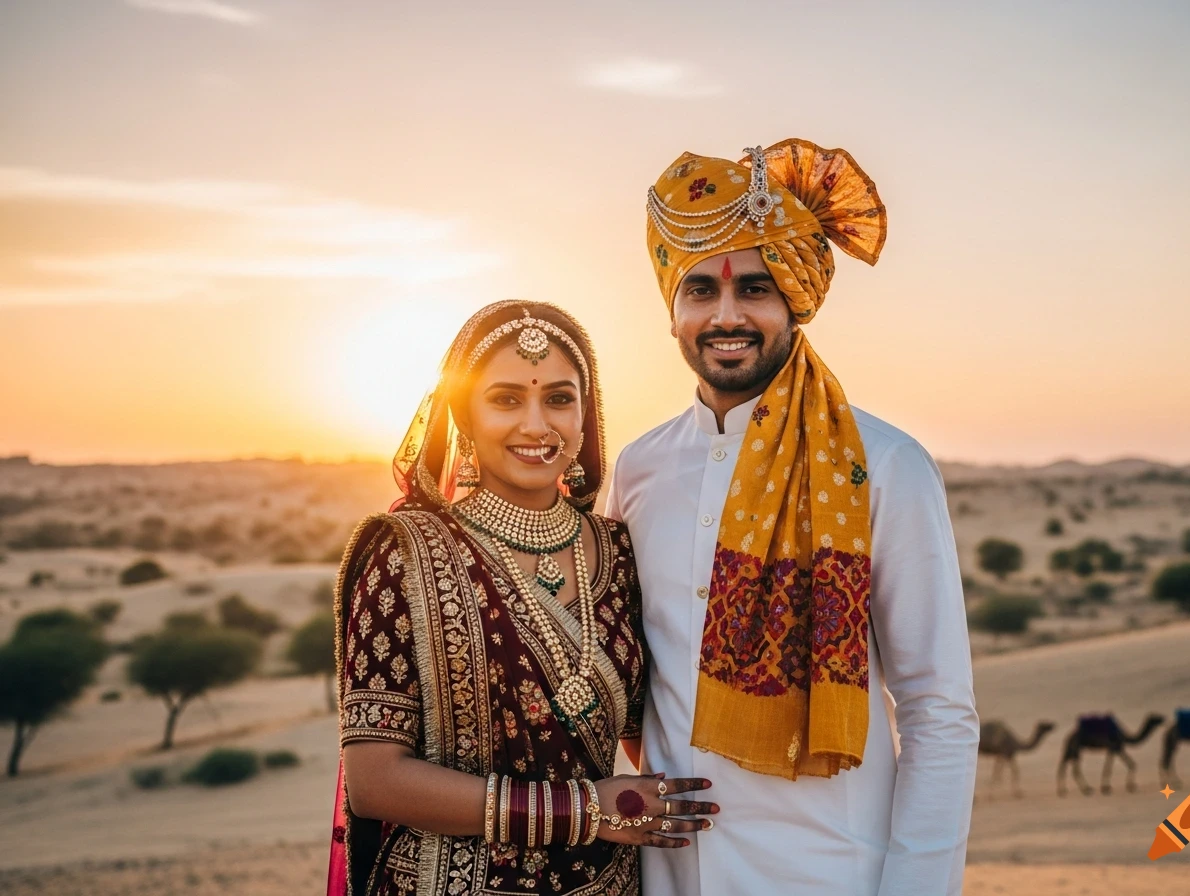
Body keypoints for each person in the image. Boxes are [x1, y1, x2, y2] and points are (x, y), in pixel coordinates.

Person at [606, 140, 980, 896]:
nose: (727, 315)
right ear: (673, 310)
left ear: (794, 300)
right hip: (670, 876)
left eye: (755, 287)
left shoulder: (883, 465)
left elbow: (938, 711)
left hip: (830, 872)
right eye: (700, 292)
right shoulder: (639, 468)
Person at [328, 301, 717, 896]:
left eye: (559, 399)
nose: (537, 426)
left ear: (585, 418)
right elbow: (375, 782)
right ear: (464, 415)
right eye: (506, 399)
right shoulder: (404, 554)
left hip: (609, 884)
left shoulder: (621, 551)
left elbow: (653, 730)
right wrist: (587, 810)